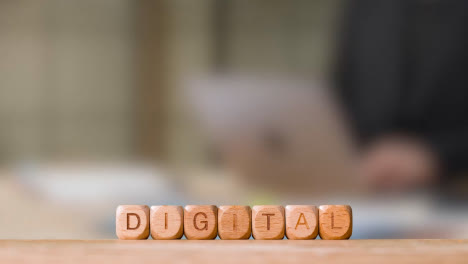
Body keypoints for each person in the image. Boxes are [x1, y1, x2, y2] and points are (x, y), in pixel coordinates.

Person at [334, 0, 468, 191]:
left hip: (455, 192)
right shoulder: (366, 7)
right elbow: (340, 98)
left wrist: (438, 156)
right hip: (368, 190)